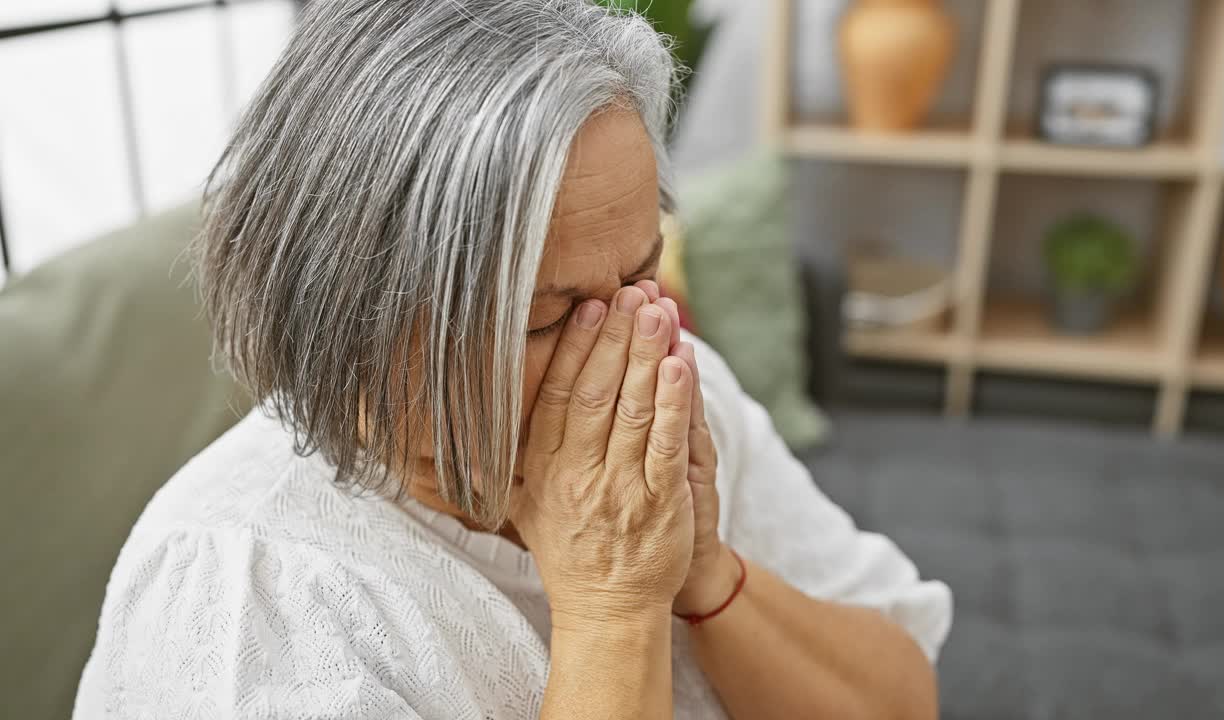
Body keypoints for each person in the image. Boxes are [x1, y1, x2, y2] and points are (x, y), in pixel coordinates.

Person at [74, 1, 951, 718]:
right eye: (544, 318)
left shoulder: (671, 390)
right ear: (343, 319)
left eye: (642, 273)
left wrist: (706, 573)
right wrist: (613, 604)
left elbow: (903, 700)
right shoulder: (247, 596)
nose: (629, 344)